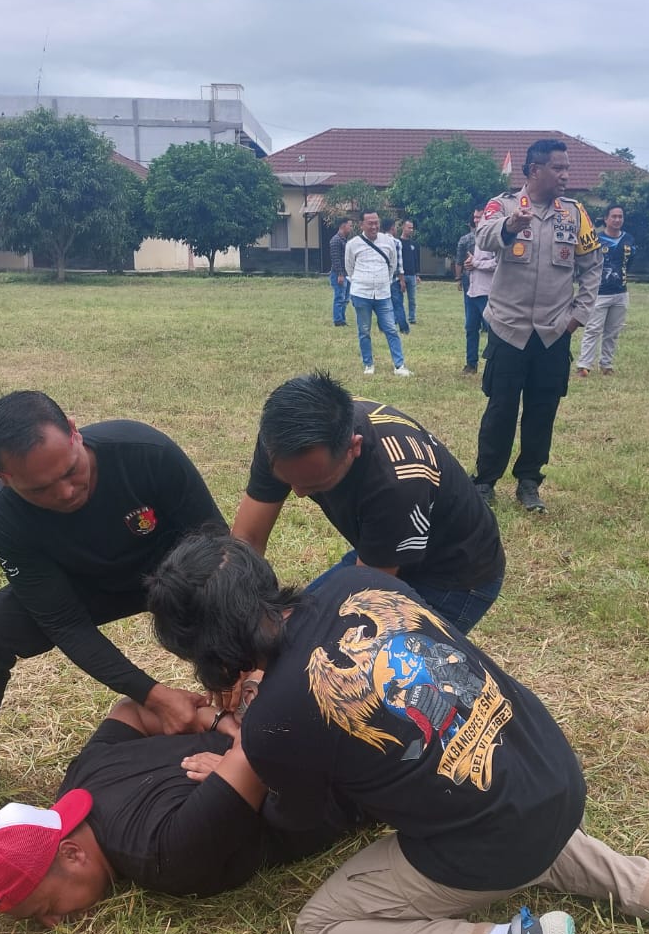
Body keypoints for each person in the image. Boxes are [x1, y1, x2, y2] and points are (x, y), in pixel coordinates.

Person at [144, 535, 649, 934]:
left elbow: (297, 816)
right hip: (548, 774)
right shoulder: (358, 585)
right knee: (492, 802)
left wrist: (240, 764)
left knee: (320, 931)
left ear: (207, 652)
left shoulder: (274, 722)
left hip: (495, 843)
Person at [0, 390, 226, 841]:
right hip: (79, 586)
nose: (66, 492)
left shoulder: (145, 452)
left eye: (71, 471)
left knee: (225, 589)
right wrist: (152, 695)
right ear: (0, 475)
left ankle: (256, 709)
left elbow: (218, 549)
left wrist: (233, 661)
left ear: (75, 432)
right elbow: (65, 622)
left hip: (170, 568)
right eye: (38, 489)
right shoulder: (5, 518)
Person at [0, 693, 358, 926]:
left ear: (72, 852)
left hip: (357, 768)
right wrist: (223, 724)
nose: (53, 923)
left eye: (47, 908)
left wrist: (238, 744)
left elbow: (268, 742)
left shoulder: (161, 853)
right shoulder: (80, 780)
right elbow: (134, 710)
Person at [232, 372, 506, 633]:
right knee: (294, 632)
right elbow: (248, 538)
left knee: (357, 662)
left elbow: (362, 602)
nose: (299, 492)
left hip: (453, 573)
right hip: (384, 549)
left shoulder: (396, 483)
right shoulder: (282, 441)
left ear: (354, 447)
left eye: (316, 484)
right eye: (286, 480)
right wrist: (241, 613)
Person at [472, 139, 601, 513]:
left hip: (553, 331)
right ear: (534, 171)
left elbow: (592, 268)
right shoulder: (505, 205)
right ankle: (485, 481)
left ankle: (529, 482)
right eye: (558, 168)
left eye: (566, 168)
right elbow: (483, 237)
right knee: (501, 409)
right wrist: (510, 226)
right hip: (508, 327)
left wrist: (578, 315)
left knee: (543, 410)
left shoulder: (574, 214)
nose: (565, 175)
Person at [344, 211, 409, 376]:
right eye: (370, 223)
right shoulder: (353, 244)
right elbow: (349, 268)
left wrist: (383, 281)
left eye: (376, 222)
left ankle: (399, 365)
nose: (374, 226)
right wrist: (361, 281)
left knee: (391, 329)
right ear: (361, 225)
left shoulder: (388, 242)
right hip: (361, 293)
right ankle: (368, 364)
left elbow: (392, 265)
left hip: (383, 294)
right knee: (364, 330)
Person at [576, 205, 636, 377]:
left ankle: (606, 365)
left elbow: (629, 262)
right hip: (599, 292)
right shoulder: (596, 238)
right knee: (593, 329)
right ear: (606, 219)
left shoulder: (629, 239)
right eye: (614, 216)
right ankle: (584, 365)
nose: (617, 220)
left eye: (620, 216)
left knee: (613, 331)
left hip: (621, 292)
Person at [456, 208, 487, 374]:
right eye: (475, 217)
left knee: (492, 328)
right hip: (470, 289)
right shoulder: (466, 239)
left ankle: (493, 363)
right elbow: (460, 261)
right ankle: (471, 364)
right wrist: (459, 278)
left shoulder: (493, 240)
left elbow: (498, 264)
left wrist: (476, 263)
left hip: (488, 291)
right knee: (470, 327)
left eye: (479, 217)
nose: (476, 220)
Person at [387, 220, 411, 336]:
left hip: (381, 281)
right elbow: (399, 264)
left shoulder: (377, 241)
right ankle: (404, 328)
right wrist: (402, 280)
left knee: (384, 306)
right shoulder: (396, 242)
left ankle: (385, 326)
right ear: (392, 228)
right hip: (394, 279)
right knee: (398, 305)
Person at [328, 218, 353, 327]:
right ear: (343, 226)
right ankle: (337, 320)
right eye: (350, 226)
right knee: (339, 297)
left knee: (346, 299)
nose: (351, 228)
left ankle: (342, 319)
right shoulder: (336, 240)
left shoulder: (344, 240)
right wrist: (340, 274)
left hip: (347, 274)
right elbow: (336, 259)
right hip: (339, 274)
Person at [400, 219, 421, 326]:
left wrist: (417, 274)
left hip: (412, 275)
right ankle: (400, 317)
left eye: (412, 228)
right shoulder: (397, 243)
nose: (411, 230)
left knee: (412, 299)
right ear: (403, 227)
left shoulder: (414, 244)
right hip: (401, 275)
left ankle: (412, 318)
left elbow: (417, 260)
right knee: (399, 299)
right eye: (409, 227)